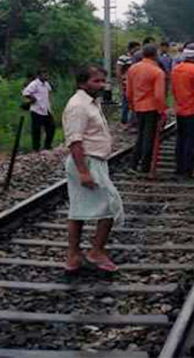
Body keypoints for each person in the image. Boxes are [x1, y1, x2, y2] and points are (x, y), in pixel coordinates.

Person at [62, 66, 122, 273]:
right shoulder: (78, 106)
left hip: (94, 161)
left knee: (78, 210)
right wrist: (84, 171)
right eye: (96, 81)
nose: (102, 85)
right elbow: (74, 141)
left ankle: (73, 257)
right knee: (111, 206)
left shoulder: (91, 102)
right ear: (82, 83)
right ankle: (95, 251)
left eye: (102, 81)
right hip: (87, 162)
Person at [126, 44, 166, 174]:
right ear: (155, 55)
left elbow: (128, 92)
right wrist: (162, 111)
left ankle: (133, 164)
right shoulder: (157, 72)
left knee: (141, 136)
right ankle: (145, 167)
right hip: (152, 108)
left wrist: (132, 106)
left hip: (138, 107)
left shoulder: (133, 69)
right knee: (149, 137)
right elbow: (159, 95)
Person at [171, 48, 194, 178]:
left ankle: (179, 167)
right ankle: (189, 169)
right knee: (191, 140)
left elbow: (173, 89)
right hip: (193, 109)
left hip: (180, 108)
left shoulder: (176, 69)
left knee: (180, 139)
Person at [22, 69, 55, 151]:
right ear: (39, 75)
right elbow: (25, 92)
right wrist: (33, 98)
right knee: (36, 130)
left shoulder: (46, 84)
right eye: (44, 74)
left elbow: (49, 93)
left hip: (46, 109)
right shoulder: (34, 84)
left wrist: (50, 105)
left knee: (51, 127)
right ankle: (36, 148)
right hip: (37, 109)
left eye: (47, 74)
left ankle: (47, 146)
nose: (46, 76)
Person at [116, 41, 141, 125]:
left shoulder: (138, 58)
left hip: (136, 82)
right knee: (126, 101)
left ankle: (132, 120)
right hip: (126, 82)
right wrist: (120, 82)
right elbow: (118, 70)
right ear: (131, 48)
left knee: (134, 102)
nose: (137, 51)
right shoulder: (123, 58)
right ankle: (124, 120)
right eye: (136, 49)